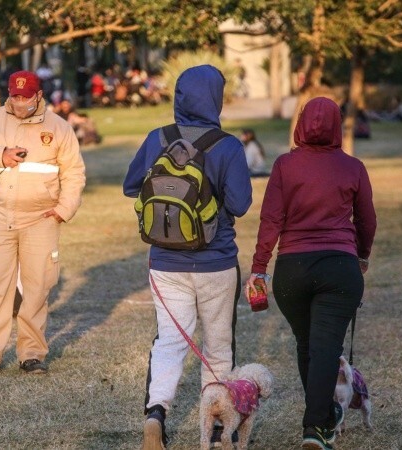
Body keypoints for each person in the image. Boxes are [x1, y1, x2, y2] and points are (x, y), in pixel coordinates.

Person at [122, 64, 252, 449]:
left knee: (169, 342)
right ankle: (215, 430)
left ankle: (155, 416)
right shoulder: (227, 145)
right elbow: (241, 205)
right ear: (216, 98)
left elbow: (132, 187)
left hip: (165, 263)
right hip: (217, 261)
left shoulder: (155, 138)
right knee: (217, 345)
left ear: (178, 96)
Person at [245, 97, 376, 450]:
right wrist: (361, 256)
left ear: (301, 124)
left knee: (309, 345)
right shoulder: (353, 167)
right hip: (339, 268)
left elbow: (271, 219)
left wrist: (259, 268)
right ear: (337, 124)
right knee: (325, 348)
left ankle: (324, 415)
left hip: (292, 270)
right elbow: (366, 220)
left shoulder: (285, 165)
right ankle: (315, 426)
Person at [0, 70, 86, 376]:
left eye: (25, 96)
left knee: (37, 287)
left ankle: (31, 353)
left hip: (40, 219)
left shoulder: (59, 127)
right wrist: (0, 155)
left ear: (38, 96)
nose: (19, 102)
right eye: (14, 96)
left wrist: (63, 209)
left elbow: (74, 172)